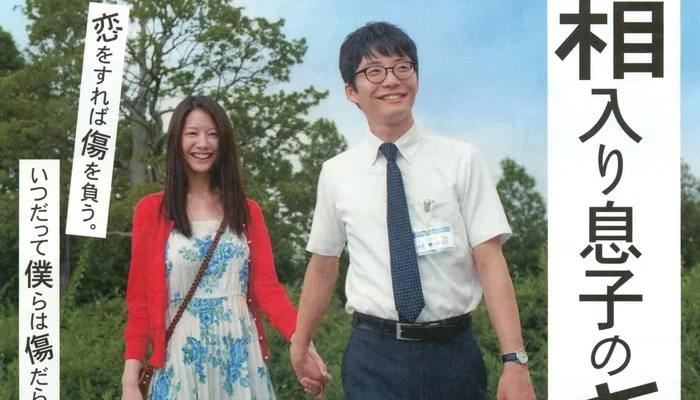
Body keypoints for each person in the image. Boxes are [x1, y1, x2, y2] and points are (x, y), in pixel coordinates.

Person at [290, 22, 536, 400]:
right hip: (372, 356)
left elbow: (490, 261)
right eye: (374, 71)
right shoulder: (337, 173)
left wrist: (514, 362)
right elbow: (323, 264)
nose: (391, 80)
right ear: (351, 91)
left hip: (453, 354)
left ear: (416, 78)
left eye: (402, 67)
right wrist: (301, 343)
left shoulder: (462, 160)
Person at [121, 95, 327, 399]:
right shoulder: (152, 211)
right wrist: (130, 380)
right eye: (192, 133)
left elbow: (268, 289)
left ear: (224, 142)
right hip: (180, 359)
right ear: (177, 140)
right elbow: (139, 301)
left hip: (240, 358)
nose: (203, 143)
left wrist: (303, 342)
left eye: (213, 134)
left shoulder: (247, 211)